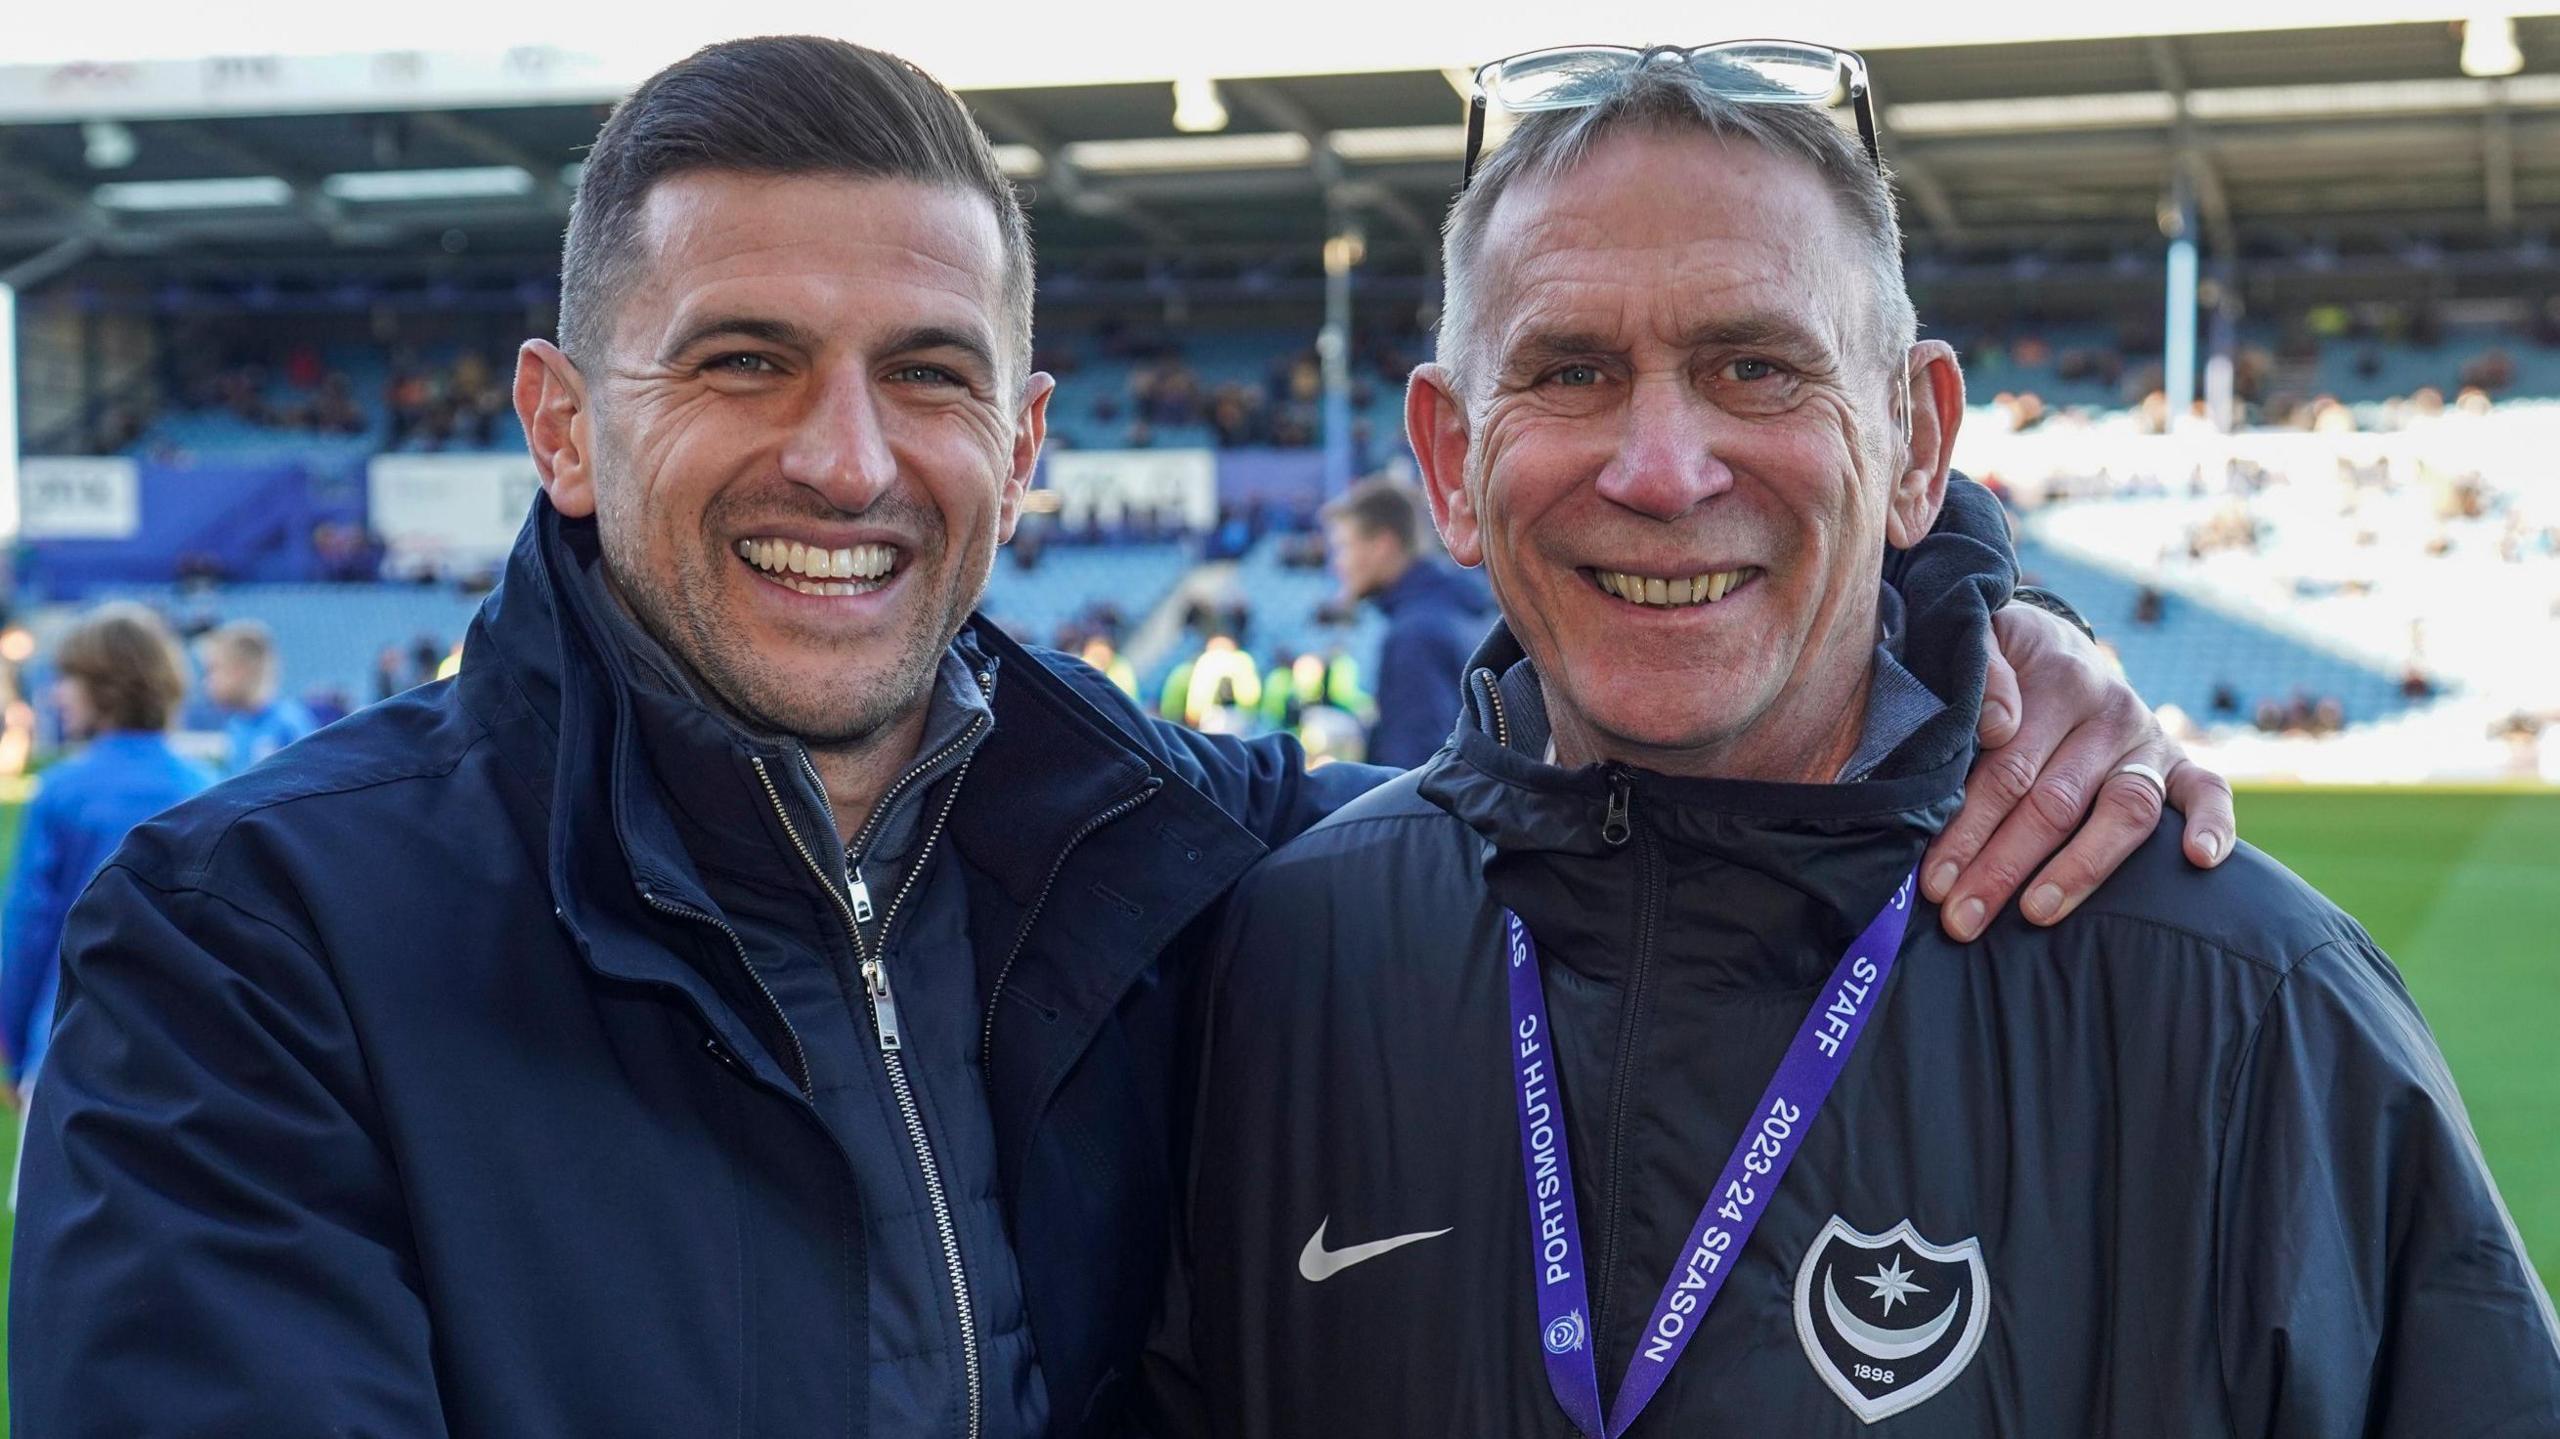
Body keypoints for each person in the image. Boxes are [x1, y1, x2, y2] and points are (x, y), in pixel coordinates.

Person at [15, 37, 2228, 1439]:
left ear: (1030, 437)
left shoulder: (1173, 848)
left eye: (933, 373)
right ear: (563, 424)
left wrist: (1962, 596)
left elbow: (1613, 753)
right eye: (745, 361)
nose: (850, 458)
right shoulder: (254, 941)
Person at [1147, 46, 2558, 1437]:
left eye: (1754, 366)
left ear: (1917, 441)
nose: (1659, 469)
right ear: (1451, 462)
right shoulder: (1289, 960)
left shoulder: (2246, 1002)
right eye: (1570, 371)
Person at [1, 605, 214, 1115]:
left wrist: (12, 1046)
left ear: (106, 685)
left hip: (70, 1043)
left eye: (68, 678)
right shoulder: (208, 787)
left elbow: (29, 926)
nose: (56, 693)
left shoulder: (62, 791)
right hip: (184, 1052)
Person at [1323, 477, 1495, 767]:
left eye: (1343, 547)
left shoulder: (1415, 636)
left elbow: (1413, 772)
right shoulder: (1460, 608)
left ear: (1382, 545)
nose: (1337, 564)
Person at [194, 619, 320, 772]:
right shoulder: (236, 725)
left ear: (239, 670)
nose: (206, 681)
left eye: (213, 670)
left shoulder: (288, 725)